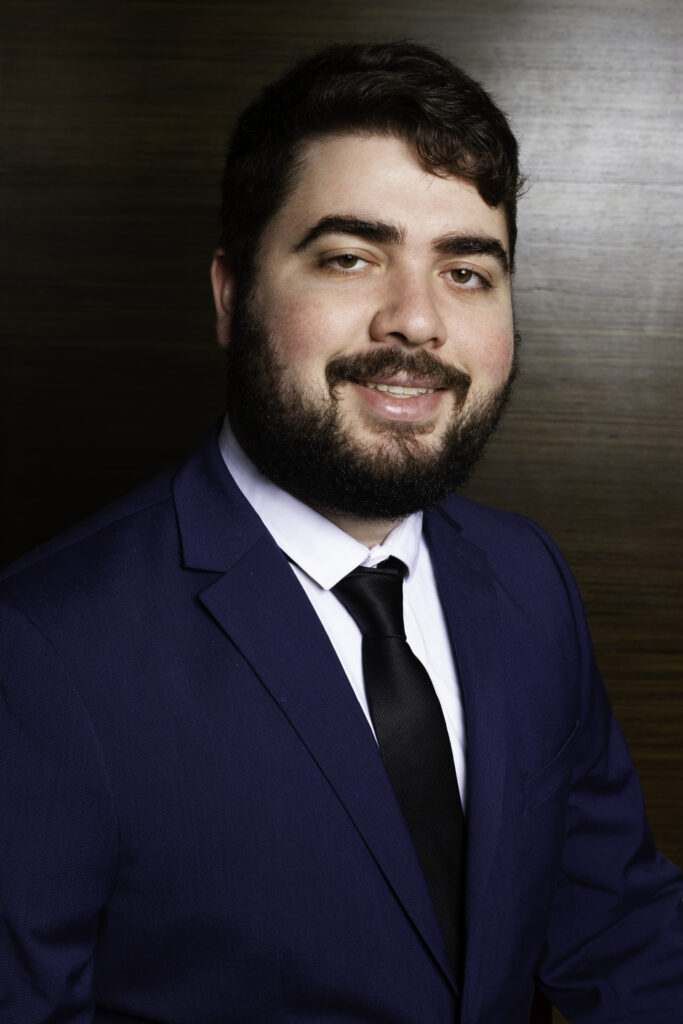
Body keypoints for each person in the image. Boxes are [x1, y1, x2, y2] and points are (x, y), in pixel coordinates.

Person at [1, 40, 681, 1024]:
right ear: (231, 294)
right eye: (350, 258)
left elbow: (618, 924)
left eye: (465, 271)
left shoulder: (528, 577)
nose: (415, 323)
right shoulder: (38, 650)